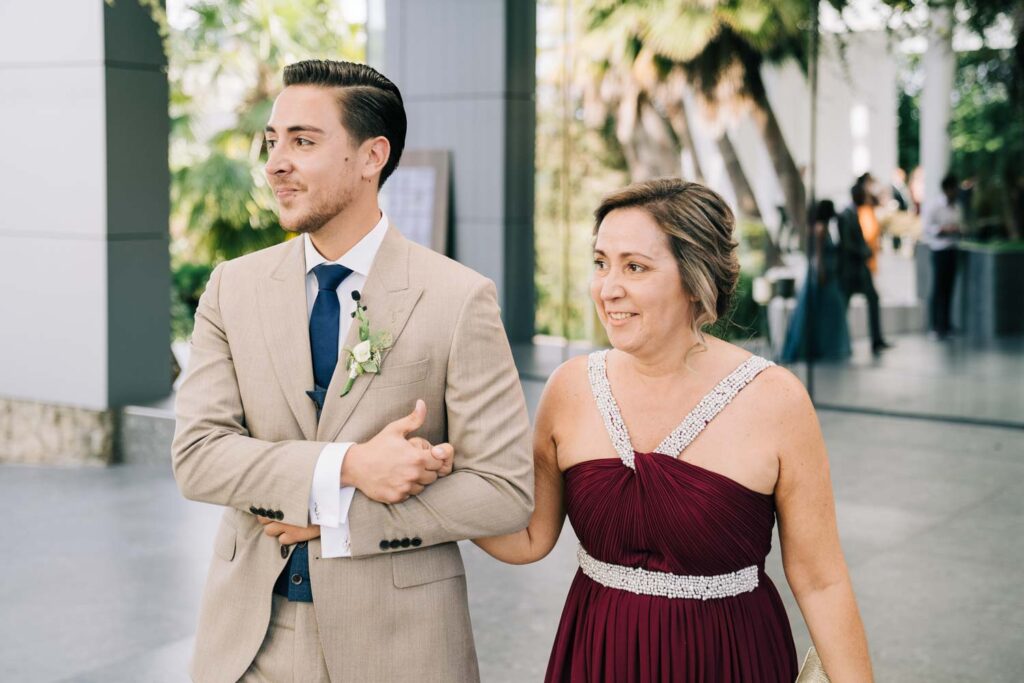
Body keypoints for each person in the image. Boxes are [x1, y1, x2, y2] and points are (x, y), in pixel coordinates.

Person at [172, 59, 533, 683]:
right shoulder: (233, 288)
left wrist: (339, 518)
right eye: (272, 142)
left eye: (303, 142)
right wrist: (349, 467)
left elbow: (503, 490)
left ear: (372, 157)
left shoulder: (458, 298)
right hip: (249, 642)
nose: (276, 163)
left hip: (401, 646)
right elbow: (199, 456)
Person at [473, 179, 873, 682]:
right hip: (599, 656)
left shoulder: (776, 400)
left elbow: (821, 581)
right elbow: (529, 537)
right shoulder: (569, 388)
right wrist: (441, 482)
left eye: (634, 267)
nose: (608, 287)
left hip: (728, 660)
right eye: (601, 263)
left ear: (693, 278)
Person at [782, 200, 851, 363]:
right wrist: (821, 274)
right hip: (823, 276)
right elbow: (817, 256)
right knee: (827, 313)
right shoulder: (820, 229)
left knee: (821, 313)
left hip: (824, 275)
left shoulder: (816, 228)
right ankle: (824, 347)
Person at [838, 183, 892, 355]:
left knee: (873, 299)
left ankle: (876, 340)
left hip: (860, 269)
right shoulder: (846, 215)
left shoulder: (854, 213)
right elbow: (847, 244)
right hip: (852, 271)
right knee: (844, 305)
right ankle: (842, 342)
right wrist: (864, 251)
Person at [922, 173, 963, 339]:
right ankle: (935, 325)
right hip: (939, 250)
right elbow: (927, 228)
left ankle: (946, 324)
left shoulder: (957, 207)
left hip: (952, 249)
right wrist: (942, 230)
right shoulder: (934, 206)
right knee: (938, 288)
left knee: (949, 289)